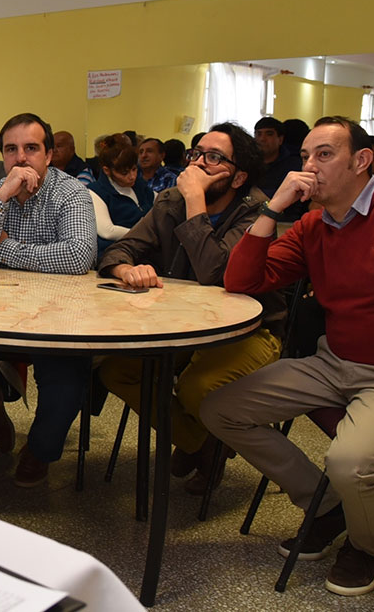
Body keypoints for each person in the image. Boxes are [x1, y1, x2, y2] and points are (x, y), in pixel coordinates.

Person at [202, 116, 374, 597]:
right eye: (305, 157)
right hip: (333, 361)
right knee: (221, 409)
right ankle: (327, 508)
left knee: (351, 459)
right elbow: (242, 281)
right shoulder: (315, 224)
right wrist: (273, 207)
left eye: (324, 155)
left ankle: (366, 545)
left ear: (361, 161)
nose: (309, 167)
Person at [97, 122, 285, 494]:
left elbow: (217, 273)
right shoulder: (169, 202)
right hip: (182, 325)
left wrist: (195, 200)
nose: (198, 164)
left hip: (249, 329)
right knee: (116, 371)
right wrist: (126, 268)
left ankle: (198, 439)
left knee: (196, 388)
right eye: (196, 154)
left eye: (214, 158)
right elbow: (118, 251)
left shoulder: (255, 214)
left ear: (237, 177)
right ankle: (202, 442)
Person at [0, 112, 97, 486]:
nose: (21, 158)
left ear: (48, 155)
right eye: (12, 150)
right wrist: (0, 197)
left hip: (57, 315)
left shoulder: (72, 194)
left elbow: (78, 257)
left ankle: (40, 448)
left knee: (66, 385)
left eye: (31, 148)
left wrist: (6, 249)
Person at [87, 143, 154, 252]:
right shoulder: (95, 191)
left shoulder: (140, 186)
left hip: (146, 247)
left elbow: (160, 201)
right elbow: (108, 231)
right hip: (118, 250)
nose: (132, 176)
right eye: (124, 173)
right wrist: (145, 235)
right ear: (107, 170)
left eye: (134, 169)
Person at [255, 116, 305, 221]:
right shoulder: (248, 164)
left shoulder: (295, 166)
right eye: (258, 134)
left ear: (280, 139)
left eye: (269, 134)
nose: (262, 139)